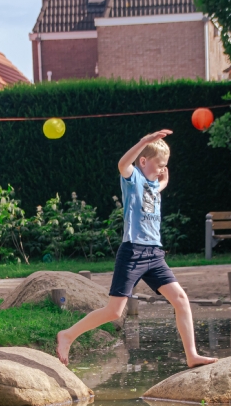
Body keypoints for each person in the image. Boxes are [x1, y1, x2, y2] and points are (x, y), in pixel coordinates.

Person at [56, 130, 218, 368]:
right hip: (133, 252)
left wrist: (164, 182)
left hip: (155, 254)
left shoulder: (152, 185)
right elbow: (122, 164)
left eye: (165, 166)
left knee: (181, 299)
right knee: (114, 311)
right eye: (159, 164)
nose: (163, 169)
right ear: (143, 161)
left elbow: (155, 189)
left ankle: (191, 355)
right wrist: (145, 141)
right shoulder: (133, 180)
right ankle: (67, 335)